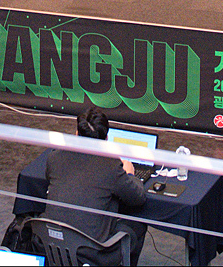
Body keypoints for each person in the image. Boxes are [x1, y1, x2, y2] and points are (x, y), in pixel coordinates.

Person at [43, 105, 147, 265]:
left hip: (52, 245)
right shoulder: (110, 165)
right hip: (91, 253)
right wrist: (130, 174)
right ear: (106, 139)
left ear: (76, 134)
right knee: (137, 225)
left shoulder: (54, 157)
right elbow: (137, 198)